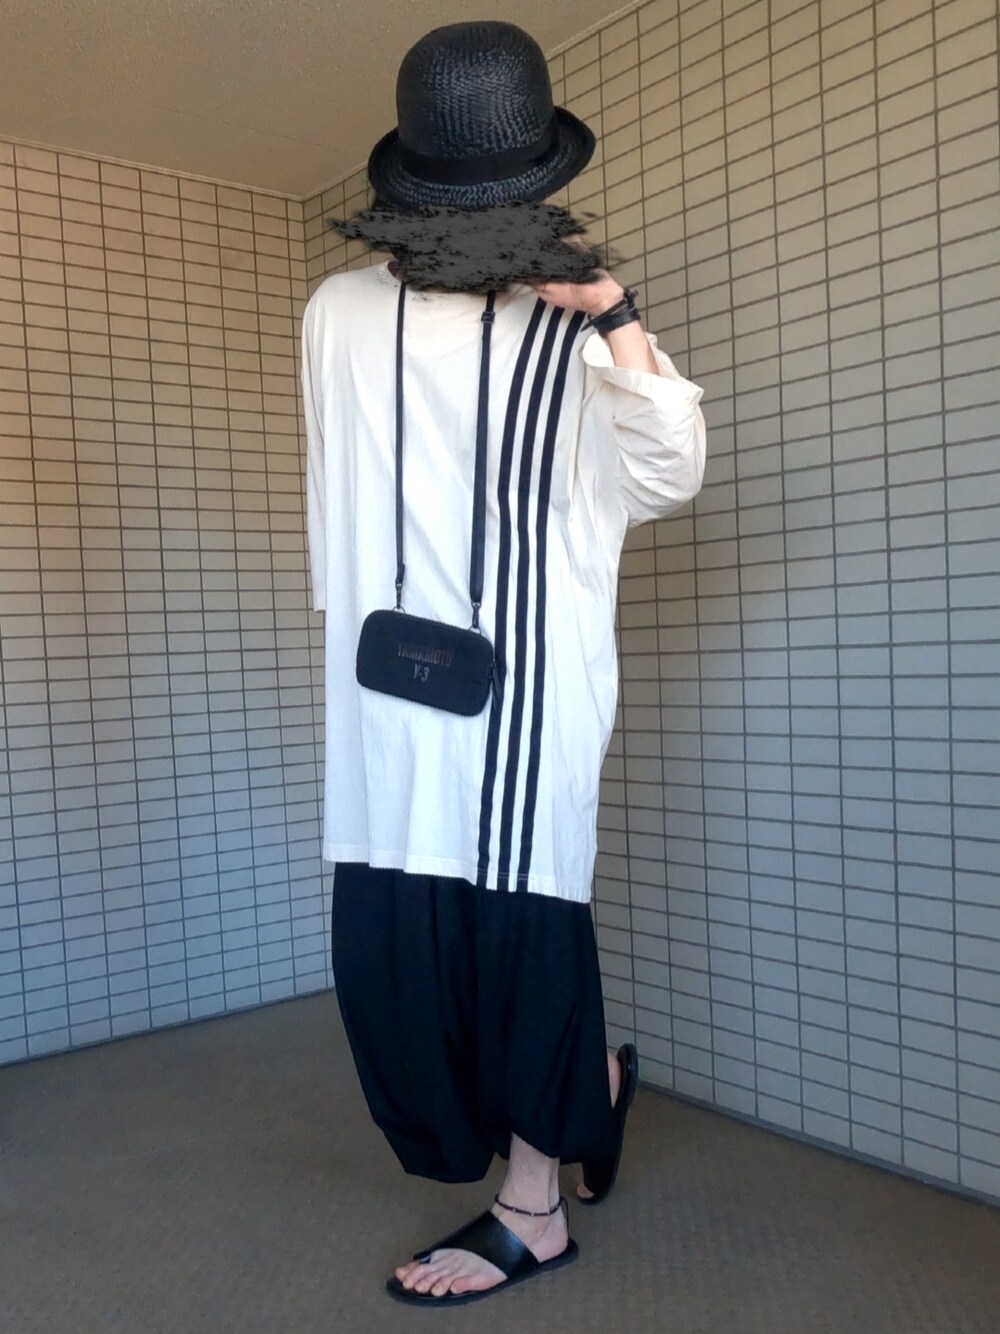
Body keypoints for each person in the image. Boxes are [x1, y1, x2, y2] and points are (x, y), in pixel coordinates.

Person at [301, 21, 707, 1307]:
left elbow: (667, 475)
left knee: (525, 939)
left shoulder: (575, 326)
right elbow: (342, 485)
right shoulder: (338, 311)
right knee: (400, 951)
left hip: (531, 692)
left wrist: (616, 315)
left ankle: (536, 1209)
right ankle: (592, 1089)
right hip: (388, 691)